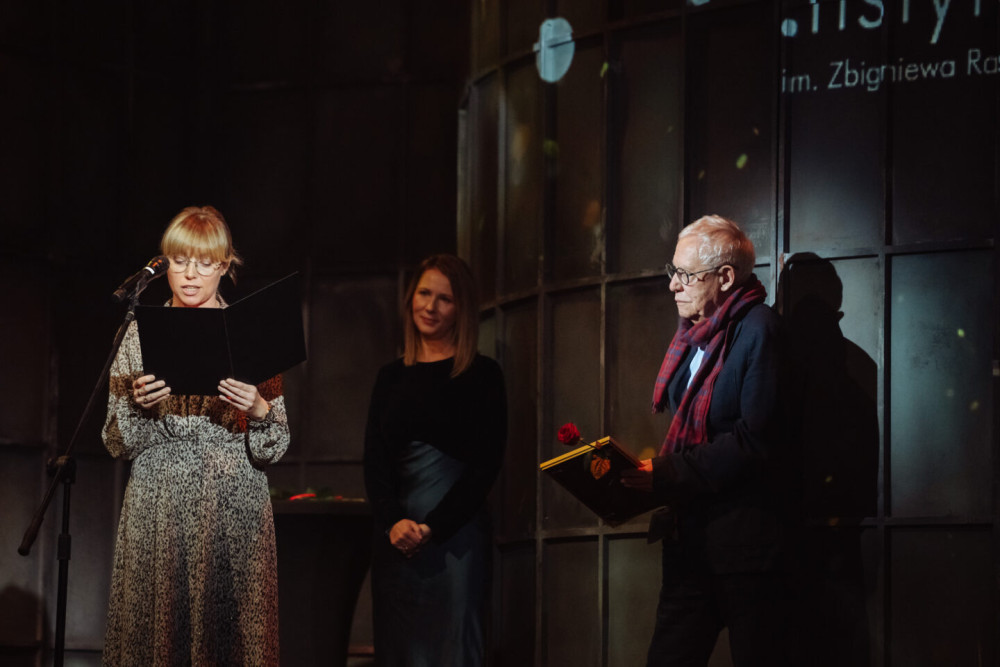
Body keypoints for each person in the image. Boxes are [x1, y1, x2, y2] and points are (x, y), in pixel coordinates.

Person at [102, 206, 289, 666]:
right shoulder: (137, 333)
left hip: (232, 504)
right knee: (156, 638)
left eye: (205, 263)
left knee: (228, 638)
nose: (190, 274)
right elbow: (115, 441)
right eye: (180, 261)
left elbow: (274, 445)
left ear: (224, 266)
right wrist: (139, 406)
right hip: (158, 504)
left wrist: (258, 409)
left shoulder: (252, 331)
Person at [621, 215, 790, 666]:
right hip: (691, 543)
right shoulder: (695, 335)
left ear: (726, 277)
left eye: (685, 274)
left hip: (746, 552)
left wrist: (667, 473)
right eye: (672, 271)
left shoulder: (760, 330)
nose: (673, 285)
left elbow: (755, 441)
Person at [363, 253, 506, 666]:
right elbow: (374, 460)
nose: (430, 306)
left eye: (444, 298)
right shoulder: (389, 377)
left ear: (462, 308)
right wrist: (393, 521)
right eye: (424, 293)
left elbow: (487, 464)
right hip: (395, 543)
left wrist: (434, 526)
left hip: (456, 542)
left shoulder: (483, 375)